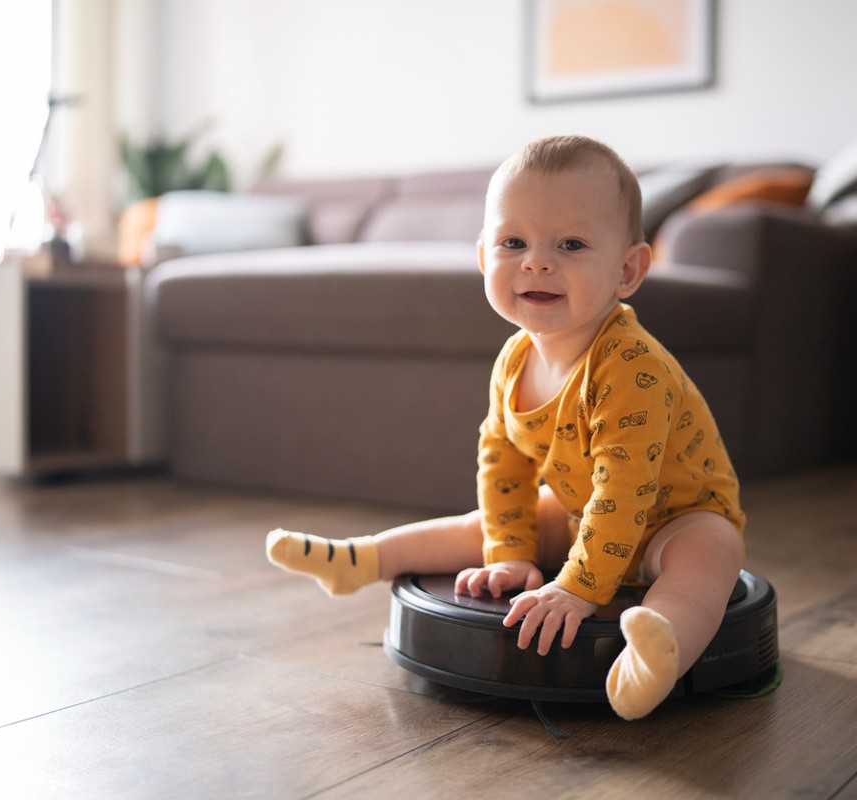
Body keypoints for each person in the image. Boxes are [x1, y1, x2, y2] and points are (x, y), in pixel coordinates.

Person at [266, 135, 746, 720]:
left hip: (677, 515)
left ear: (627, 270)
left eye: (571, 244)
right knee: (481, 527)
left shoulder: (631, 367)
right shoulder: (516, 359)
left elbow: (626, 490)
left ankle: (655, 655)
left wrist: (578, 589)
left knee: (709, 557)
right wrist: (511, 552)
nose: (536, 261)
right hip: (577, 512)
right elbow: (503, 458)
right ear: (482, 257)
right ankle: (362, 560)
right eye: (512, 242)